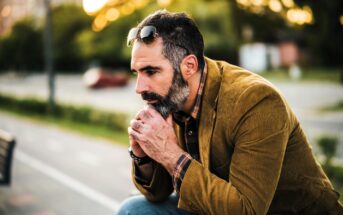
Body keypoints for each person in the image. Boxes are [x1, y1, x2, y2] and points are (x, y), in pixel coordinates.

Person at [117, 10, 343, 215]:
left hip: (285, 211)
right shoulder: (173, 100)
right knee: (134, 210)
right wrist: (142, 155)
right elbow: (157, 194)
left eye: (151, 71)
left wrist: (170, 154)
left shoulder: (256, 100)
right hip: (214, 207)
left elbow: (246, 211)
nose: (139, 87)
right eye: (137, 72)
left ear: (189, 67)